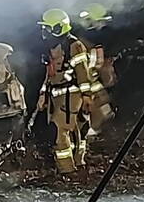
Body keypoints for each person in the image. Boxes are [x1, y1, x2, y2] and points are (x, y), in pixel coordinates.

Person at [37, 9, 101, 173]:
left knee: (59, 130)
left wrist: (86, 96)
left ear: (61, 28)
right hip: (55, 95)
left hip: (71, 93)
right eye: (45, 29)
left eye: (51, 29)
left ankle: (67, 170)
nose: (47, 33)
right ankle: (79, 164)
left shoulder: (75, 46)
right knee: (75, 129)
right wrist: (43, 95)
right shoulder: (48, 49)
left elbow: (82, 72)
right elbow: (48, 75)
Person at [76, 2, 116, 134]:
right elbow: (92, 66)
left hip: (91, 80)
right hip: (82, 83)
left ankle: (95, 127)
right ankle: (88, 129)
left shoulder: (91, 40)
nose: (102, 25)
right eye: (99, 22)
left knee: (102, 103)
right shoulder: (82, 43)